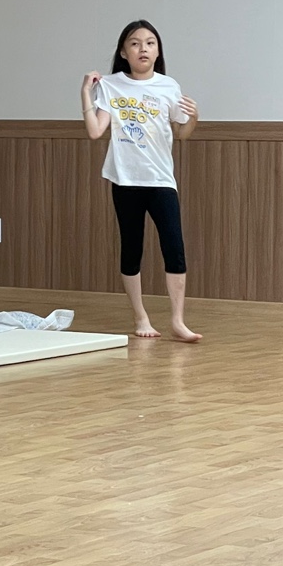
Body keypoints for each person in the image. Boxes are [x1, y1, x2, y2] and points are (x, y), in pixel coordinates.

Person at [82, 19, 201, 342]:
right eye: (135, 43)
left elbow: (182, 134)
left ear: (157, 51)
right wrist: (85, 94)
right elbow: (95, 131)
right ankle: (140, 317)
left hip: (161, 179)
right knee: (131, 248)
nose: (143, 49)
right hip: (125, 179)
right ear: (124, 52)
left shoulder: (168, 86)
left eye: (149, 43)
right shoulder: (111, 85)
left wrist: (195, 117)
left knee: (174, 247)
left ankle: (178, 320)